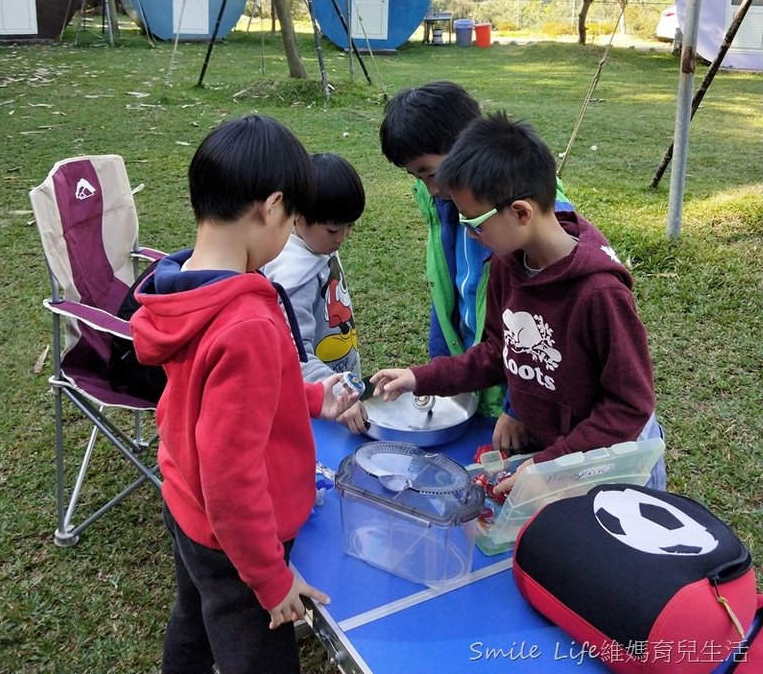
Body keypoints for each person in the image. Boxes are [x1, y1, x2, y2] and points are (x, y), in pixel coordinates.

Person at [131, 115, 359, 674]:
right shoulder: (246, 322)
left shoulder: (180, 284)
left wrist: (309, 399)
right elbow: (231, 478)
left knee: (194, 618)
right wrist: (270, 577)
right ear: (273, 206)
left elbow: (207, 404)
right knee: (256, 655)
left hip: (184, 504)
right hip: (235, 539)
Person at [371, 112, 666, 493]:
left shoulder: (599, 294)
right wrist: (420, 377)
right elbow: (498, 351)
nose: (469, 234)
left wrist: (548, 466)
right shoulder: (509, 263)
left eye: (474, 223)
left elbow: (629, 407)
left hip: (609, 467)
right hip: (556, 457)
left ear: (521, 212)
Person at [379, 80, 571, 417]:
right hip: (479, 368)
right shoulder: (447, 204)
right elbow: (448, 294)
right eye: (418, 178)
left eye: (432, 173)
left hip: (520, 388)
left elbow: (541, 334)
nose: (433, 189)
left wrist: (516, 409)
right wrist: (439, 371)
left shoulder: (520, 223)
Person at [263, 152, 367, 434]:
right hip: (320, 403)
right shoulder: (292, 279)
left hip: (340, 389)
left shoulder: (319, 246)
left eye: (350, 227)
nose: (342, 237)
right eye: (334, 228)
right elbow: (296, 357)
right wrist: (336, 393)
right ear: (298, 217)